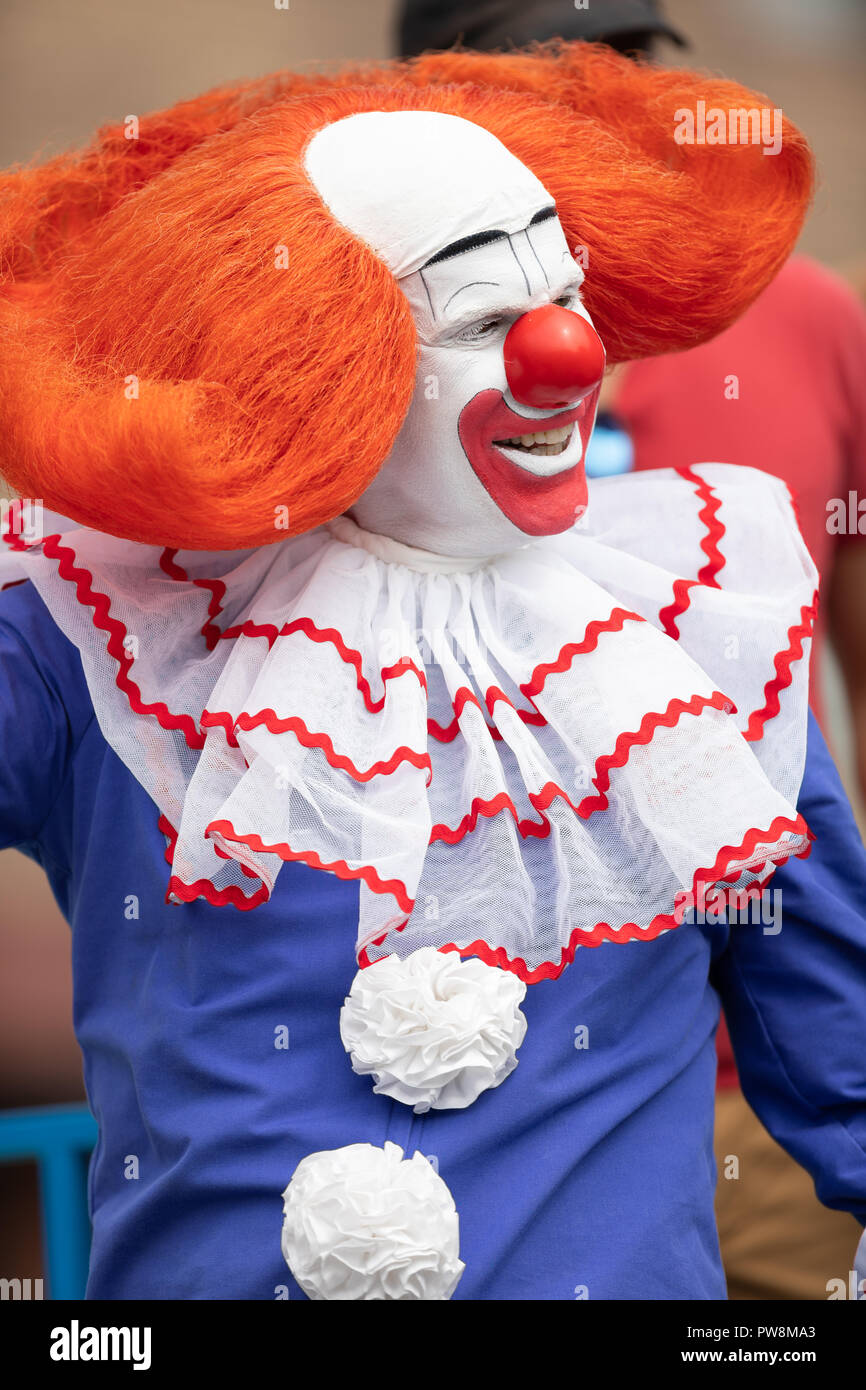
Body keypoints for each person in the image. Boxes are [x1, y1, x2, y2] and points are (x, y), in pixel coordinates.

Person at [0, 42, 864, 1301]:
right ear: (316, 356)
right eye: (479, 320)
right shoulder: (106, 627)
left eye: (562, 292)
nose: (563, 353)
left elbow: (834, 1039)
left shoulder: (682, 634)